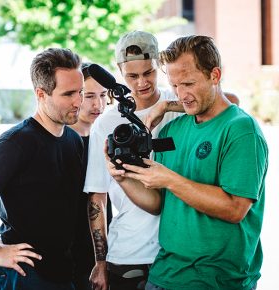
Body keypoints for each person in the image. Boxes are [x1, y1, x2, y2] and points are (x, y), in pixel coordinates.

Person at [110, 35, 268, 290]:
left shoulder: (241, 130)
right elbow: (158, 203)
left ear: (214, 75)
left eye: (188, 83)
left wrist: (170, 179)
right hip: (163, 275)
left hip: (216, 281)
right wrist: (123, 179)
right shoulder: (172, 130)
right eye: (174, 85)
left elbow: (235, 209)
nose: (181, 94)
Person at [84, 31, 240, 290]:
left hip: (179, 254)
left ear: (159, 66)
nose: (142, 82)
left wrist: (167, 106)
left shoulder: (184, 98)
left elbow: (230, 103)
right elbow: (96, 197)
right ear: (120, 72)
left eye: (149, 72)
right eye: (132, 76)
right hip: (130, 251)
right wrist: (100, 262)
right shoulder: (106, 123)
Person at [0, 48, 85, 290]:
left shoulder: (73, 140)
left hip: (61, 270)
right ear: (41, 94)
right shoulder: (18, 141)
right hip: (24, 272)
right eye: (68, 94)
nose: (78, 101)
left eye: (80, 92)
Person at [70, 62, 113, 290]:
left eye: (104, 95)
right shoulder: (62, 140)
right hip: (72, 250)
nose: (98, 104)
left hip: (108, 246)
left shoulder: (110, 137)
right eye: (89, 96)